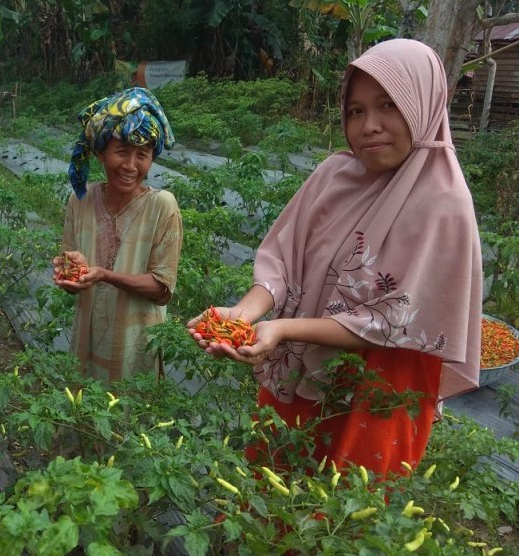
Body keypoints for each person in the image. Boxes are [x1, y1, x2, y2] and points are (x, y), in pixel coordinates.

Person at [188, 39, 482, 476]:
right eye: (356, 110)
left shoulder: (443, 204)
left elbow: (388, 321)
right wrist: (242, 315)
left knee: (341, 514)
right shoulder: (332, 176)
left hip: (375, 389)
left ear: (423, 104)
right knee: (274, 489)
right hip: (302, 372)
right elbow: (282, 261)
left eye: (388, 105)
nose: (369, 126)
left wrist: (281, 329)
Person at [54, 87, 183, 382]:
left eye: (142, 155)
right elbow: (70, 275)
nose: (130, 166)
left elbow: (162, 288)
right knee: (87, 415)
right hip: (88, 340)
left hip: (135, 345)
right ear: (101, 152)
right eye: (121, 152)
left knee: (131, 418)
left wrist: (103, 274)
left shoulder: (162, 206)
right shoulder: (80, 201)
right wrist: (71, 275)